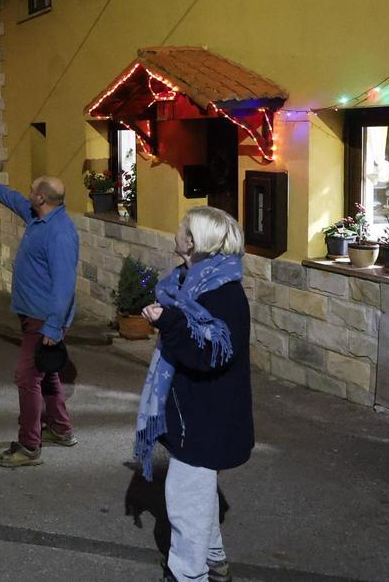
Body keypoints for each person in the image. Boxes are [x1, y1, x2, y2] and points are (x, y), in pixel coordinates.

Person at [133, 206, 253, 582]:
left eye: (182, 226)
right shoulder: (190, 283)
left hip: (205, 418)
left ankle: (188, 574)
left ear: (192, 241)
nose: (177, 229)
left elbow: (208, 356)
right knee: (198, 490)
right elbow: (191, 336)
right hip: (195, 414)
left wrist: (167, 322)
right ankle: (214, 560)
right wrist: (166, 318)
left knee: (185, 500)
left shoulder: (223, 294)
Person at [0, 172, 79, 468]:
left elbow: (64, 285)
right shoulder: (39, 217)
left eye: (32, 190)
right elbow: (16, 201)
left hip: (43, 318)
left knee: (26, 377)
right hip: (35, 316)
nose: (28, 193)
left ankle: (29, 446)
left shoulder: (59, 233)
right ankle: (60, 428)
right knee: (47, 373)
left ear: (42, 198)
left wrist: (53, 326)